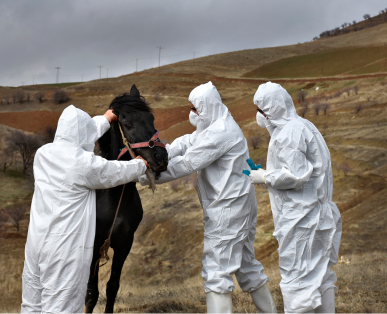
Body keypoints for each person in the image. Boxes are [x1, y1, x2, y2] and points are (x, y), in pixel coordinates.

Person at [139, 82, 277, 314]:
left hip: (228, 211)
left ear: (207, 107)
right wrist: (163, 151)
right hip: (237, 206)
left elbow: (189, 162)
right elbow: (188, 142)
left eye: (195, 109)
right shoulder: (215, 125)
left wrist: (145, 175)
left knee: (216, 271)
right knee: (246, 265)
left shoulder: (221, 133)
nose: (191, 114)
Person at [21, 105, 149, 314]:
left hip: (36, 244)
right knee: (61, 308)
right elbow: (113, 172)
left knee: (32, 305)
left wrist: (106, 119)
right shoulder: (84, 165)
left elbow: (80, 136)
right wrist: (141, 164)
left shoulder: (42, 154)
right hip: (65, 249)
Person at [248, 82, 342, 314]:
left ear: (273, 109)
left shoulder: (288, 134)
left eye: (262, 111)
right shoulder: (304, 126)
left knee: (297, 283)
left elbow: (296, 175)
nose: (259, 116)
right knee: (320, 278)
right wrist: (269, 175)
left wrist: (265, 176)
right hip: (319, 215)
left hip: (302, 220)